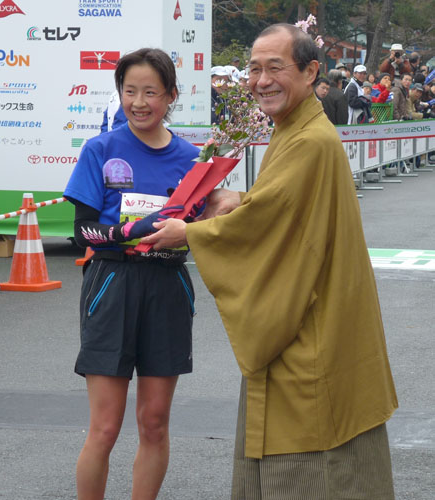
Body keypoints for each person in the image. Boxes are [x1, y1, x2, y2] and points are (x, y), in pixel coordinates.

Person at [141, 23, 398, 500]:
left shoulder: (309, 141)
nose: (262, 80)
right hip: (325, 317)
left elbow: (273, 226)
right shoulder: (297, 129)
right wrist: (243, 200)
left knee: (309, 454)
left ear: (310, 71)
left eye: (276, 68)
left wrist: (190, 234)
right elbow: (281, 207)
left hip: (309, 328)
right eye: (254, 69)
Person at [63, 47, 200, 500]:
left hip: (168, 286)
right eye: (129, 91)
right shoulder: (100, 150)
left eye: (151, 92)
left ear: (171, 96)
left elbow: (199, 228)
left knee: (155, 423)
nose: (139, 102)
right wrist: (127, 231)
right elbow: (82, 232)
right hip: (112, 284)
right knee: (104, 428)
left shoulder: (192, 158)